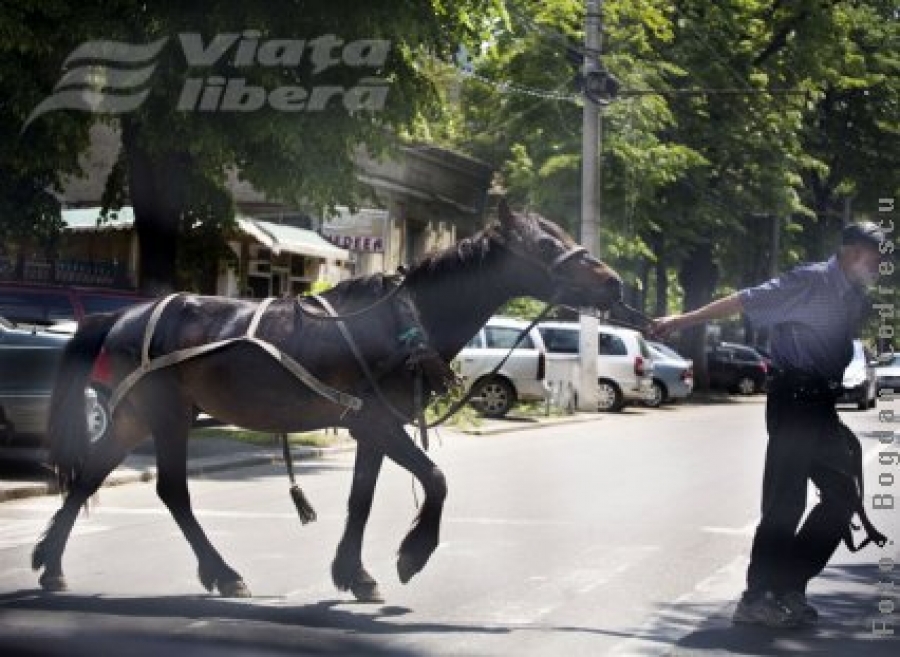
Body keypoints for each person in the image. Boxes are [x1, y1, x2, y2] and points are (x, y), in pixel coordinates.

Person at [652, 222, 887, 628]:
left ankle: (788, 585)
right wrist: (680, 321)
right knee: (786, 501)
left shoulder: (852, 296)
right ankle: (756, 596)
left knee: (842, 496)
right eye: (876, 257)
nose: (882, 266)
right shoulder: (810, 281)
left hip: (819, 404)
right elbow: (744, 301)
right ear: (852, 252)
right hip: (793, 400)